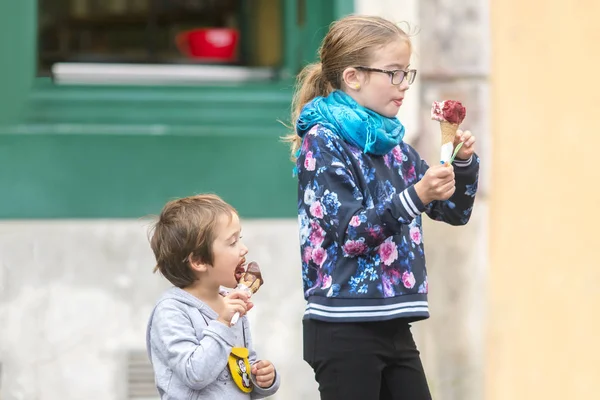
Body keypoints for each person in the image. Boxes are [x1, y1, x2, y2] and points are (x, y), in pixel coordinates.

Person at [285, 15, 479, 400]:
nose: (404, 85)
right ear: (353, 76)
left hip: (393, 323)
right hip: (343, 326)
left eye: (407, 73)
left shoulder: (396, 149)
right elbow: (354, 234)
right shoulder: (323, 142)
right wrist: (417, 195)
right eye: (393, 73)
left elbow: (454, 212)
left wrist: (462, 164)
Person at [146, 194, 280, 399]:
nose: (244, 249)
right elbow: (195, 374)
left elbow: (241, 368)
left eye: (240, 239)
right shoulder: (171, 311)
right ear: (199, 261)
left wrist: (261, 378)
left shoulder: (231, 303)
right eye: (232, 242)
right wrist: (223, 323)